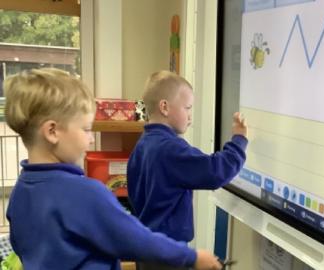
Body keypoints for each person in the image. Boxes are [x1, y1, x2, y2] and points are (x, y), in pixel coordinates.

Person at [4, 68, 222, 270]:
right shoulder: (85, 194)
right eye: (86, 129)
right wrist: (192, 257)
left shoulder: (20, 193)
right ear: (52, 131)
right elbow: (138, 241)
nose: (90, 140)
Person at [127, 70, 248, 270]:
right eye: (187, 108)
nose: (190, 117)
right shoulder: (171, 149)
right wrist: (239, 140)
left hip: (147, 248)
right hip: (167, 253)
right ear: (164, 107)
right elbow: (216, 171)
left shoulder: (142, 146)